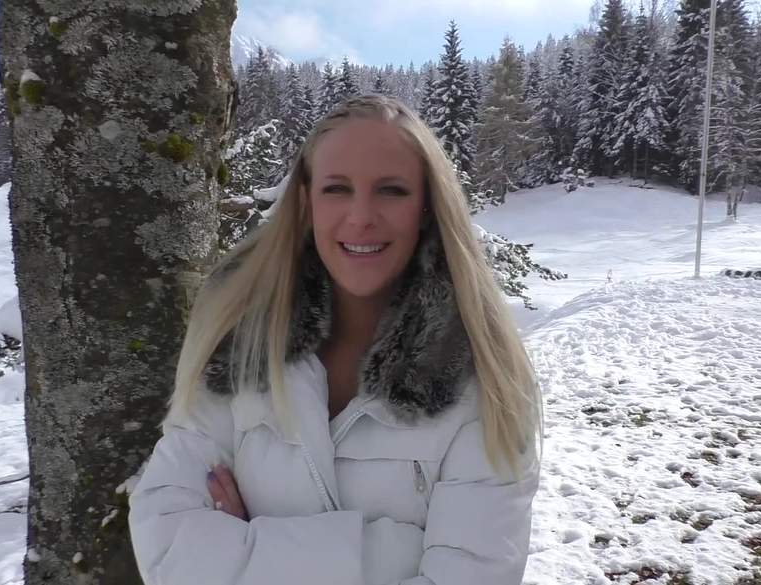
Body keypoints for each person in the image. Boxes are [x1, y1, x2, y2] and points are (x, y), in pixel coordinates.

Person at [128, 94, 544, 585]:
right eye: (337, 189)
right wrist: (397, 552)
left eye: (391, 190)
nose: (361, 216)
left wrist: (242, 551)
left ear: (426, 208)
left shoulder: (484, 380)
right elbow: (166, 539)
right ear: (307, 203)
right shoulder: (239, 345)